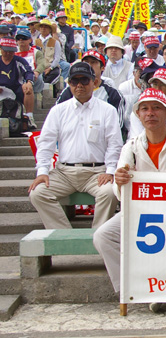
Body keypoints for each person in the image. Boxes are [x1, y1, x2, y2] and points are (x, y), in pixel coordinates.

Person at [92, 88, 166, 315]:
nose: (150, 113)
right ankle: (140, 289)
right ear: (138, 115)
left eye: (156, 108)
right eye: (144, 109)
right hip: (140, 213)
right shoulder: (131, 146)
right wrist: (120, 182)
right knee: (103, 236)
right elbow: (121, 191)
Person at [28, 62, 122, 229]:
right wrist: (42, 171)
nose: (79, 85)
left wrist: (110, 171)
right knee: (38, 193)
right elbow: (46, 142)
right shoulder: (58, 110)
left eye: (84, 80)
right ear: (69, 83)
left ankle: (98, 235)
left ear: (94, 82)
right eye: (74, 81)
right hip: (64, 173)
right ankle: (63, 234)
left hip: (96, 172)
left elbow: (114, 144)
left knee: (109, 192)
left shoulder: (108, 110)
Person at [0, 37, 36, 127]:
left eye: (11, 51)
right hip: (1, 89)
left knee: (28, 88)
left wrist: (29, 82)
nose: (8, 54)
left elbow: (29, 72)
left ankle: (29, 117)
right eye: (6, 51)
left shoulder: (19, 61)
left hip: (16, 88)